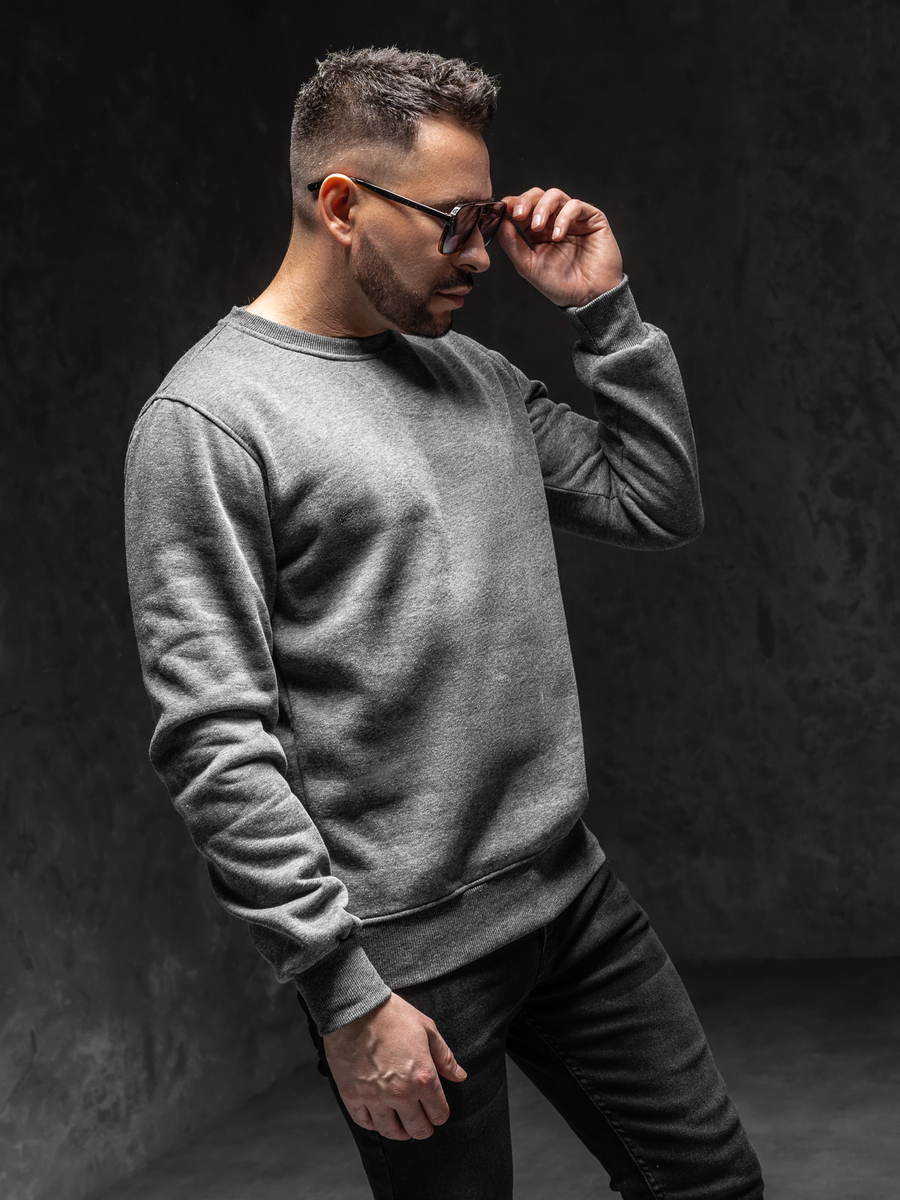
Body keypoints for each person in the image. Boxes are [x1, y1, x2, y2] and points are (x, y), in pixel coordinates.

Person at [124, 45, 764, 1200]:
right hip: (405, 963)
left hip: (571, 901)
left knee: (712, 1187)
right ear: (342, 205)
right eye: (456, 223)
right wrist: (345, 997)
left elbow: (656, 503)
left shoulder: (476, 375)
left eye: (489, 219)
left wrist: (603, 309)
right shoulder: (208, 422)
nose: (482, 254)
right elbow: (215, 742)